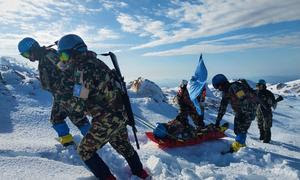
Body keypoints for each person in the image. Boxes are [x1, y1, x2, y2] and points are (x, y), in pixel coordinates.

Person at [56, 34, 149, 179]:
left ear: (73, 53)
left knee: (85, 151)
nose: (63, 60)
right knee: (122, 145)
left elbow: (79, 103)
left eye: (64, 56)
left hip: (106, 118)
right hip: (119, 115)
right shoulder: (96, 62)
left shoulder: (82, 69)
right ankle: (141, 173)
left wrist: (63, 100)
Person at [18, 37, 91, 146]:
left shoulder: (49, 55)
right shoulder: (44, 56)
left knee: (65, 118)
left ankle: (83, 142)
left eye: (27, 54)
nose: (28, 58)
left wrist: (71, 91)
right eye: (24, 56)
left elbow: (68, 69)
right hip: (61, 94)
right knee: (68, 117)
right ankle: (83, 141)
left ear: (33, 49)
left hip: (66, 94)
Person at [212, 74, 257, 152]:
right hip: (240, 112)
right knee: (237, 130)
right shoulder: (225, 93)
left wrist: (244, 113)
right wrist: (217, 121)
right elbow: (222, 107)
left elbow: (245, 100)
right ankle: (241, 145)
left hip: (248, 111)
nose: (219, 89)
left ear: (222, 84)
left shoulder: (235, 87)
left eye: (218, 87)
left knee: (242, 129)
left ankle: (238, 146)